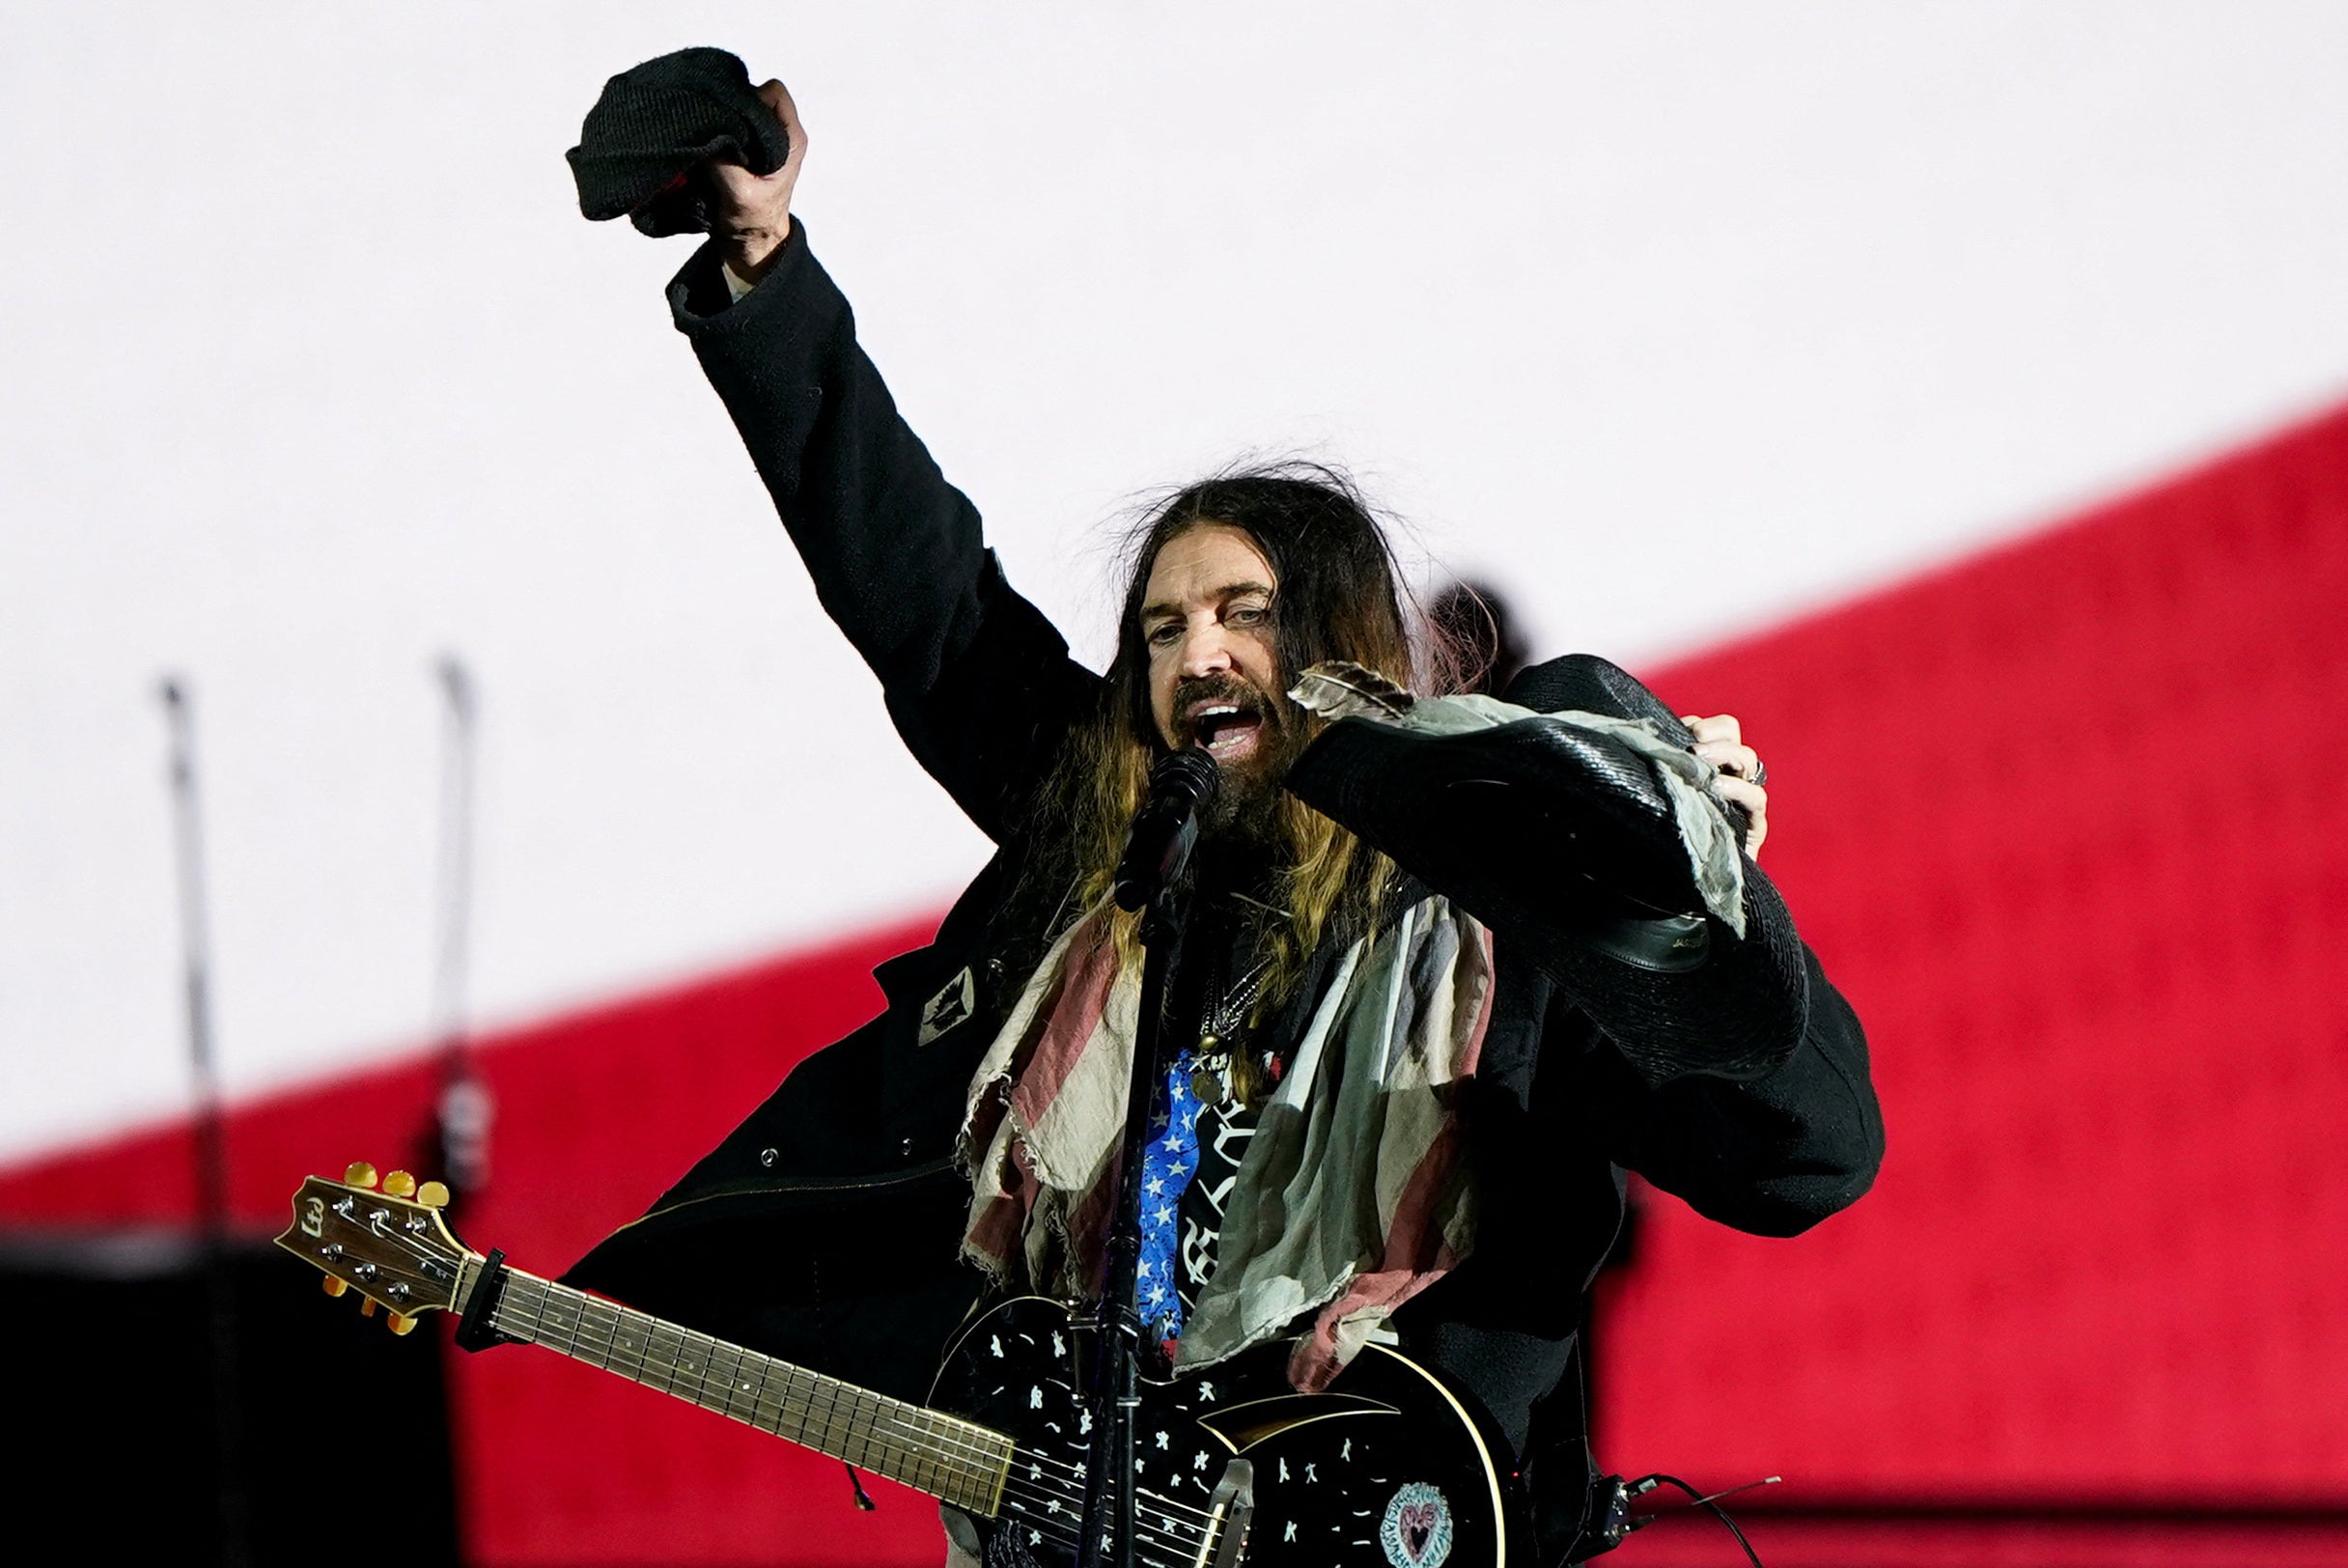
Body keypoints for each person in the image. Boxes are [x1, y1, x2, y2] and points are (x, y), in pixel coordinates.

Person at [565, 75, 1883, 1565]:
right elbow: (929, 607)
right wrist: (764, 270)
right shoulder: (1113, 848)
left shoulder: (1497, 919)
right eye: (1163, 626)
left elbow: (1808, 1163)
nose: (1195, 655)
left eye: (1243, 615)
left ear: (1339, 646)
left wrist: (1689, 922)